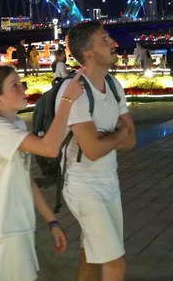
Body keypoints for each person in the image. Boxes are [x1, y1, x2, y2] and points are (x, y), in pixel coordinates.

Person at [0, 67, 84, 280]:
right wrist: (66, 100)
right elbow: (49, 148)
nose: (23, 88)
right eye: (15, 85)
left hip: (17, 225)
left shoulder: (13, 123)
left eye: (20, 82)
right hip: (4, 229)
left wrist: (52, 221)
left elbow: (26, 179)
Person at [56, 21, 135, 280]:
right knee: (115, 262)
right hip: (83, 186)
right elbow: (91, 149)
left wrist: (109, 138)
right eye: (104, 40)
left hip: (109, 181)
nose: (114, 43)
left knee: (91, 255)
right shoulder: (74, 91)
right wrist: (117, 134)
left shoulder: (114, 86)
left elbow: (131, 140)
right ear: (88, 53)